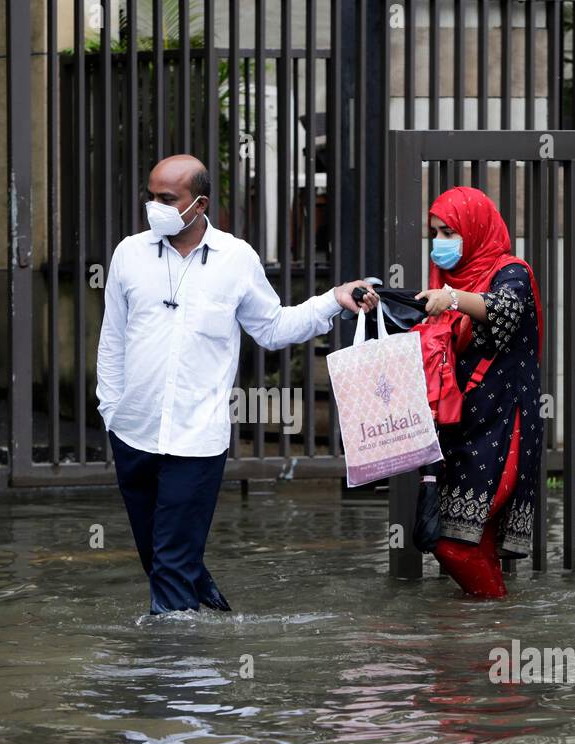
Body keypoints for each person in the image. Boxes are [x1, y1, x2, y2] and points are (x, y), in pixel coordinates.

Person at [97, 154, 377, 616]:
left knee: (168, 566)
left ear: (199, 203)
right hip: (133, 432)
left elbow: (272, 328)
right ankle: (202, 605)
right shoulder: (129, 253)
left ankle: (173, 675)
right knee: (157, 557)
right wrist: (110, 410)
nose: (154, 207)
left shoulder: (235, 259)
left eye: (167, 199)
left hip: (196, 440)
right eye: (150, 196)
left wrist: (333, 300)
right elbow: (112, 340)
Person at [412, 186, 544, 598]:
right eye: (434, 232)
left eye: (449, 231)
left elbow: (504, 310)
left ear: (476, 229)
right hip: (459, 423)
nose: (440, 242)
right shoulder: (447, 282)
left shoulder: (511, 272)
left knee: (455, 544)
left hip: (504, 424)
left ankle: (494, 614)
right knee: (465, 536)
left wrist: (451, 298)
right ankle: (483, 637)